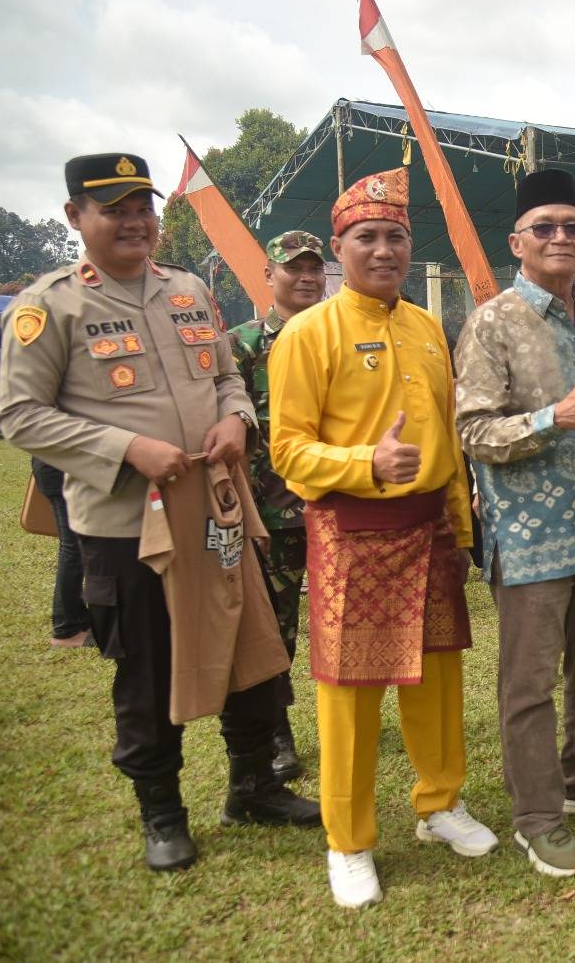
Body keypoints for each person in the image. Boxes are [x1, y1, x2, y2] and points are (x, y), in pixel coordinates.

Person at [0, 153, 317, 873]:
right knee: (146, 668)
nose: (135, 222)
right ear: (75, 216)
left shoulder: (188, 289)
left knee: (252, 648)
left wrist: (236, 418)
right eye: (114, 210)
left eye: (143, 208)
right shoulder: (51, 307)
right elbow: (20, 415)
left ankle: (255, 787)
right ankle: (163, 813)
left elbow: (228, 376)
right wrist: (126, 448)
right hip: (125, 524)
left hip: (216, 509)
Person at [268, 168, 497, 909]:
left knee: (437, 676)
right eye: (366, 237)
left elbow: (449, 439)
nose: (383, 249)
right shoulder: (307, 334)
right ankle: (349, 840)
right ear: (339, 249)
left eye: (395, 236)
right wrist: (365, 462)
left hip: (430, 527)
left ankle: (440, 802)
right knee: (351, 693)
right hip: (352, 530)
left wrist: (461, 526)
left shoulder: (427, 327)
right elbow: (288, 450)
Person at [453, 170, 575, 880]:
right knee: (529, 684)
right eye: (545, 227)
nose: (561, 237)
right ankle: (536, 816)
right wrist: (555, 417)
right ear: (516, 242)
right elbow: (472, 430)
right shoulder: (492, 322)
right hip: (529, 538)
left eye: (573, 227)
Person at [227, 229, 326, 782]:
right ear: (269, 275)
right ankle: (276, 734)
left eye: (314, 267)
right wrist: (245, 516)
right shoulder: (242, 345)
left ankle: (346, 715)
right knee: (274, 629)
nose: (306, 277)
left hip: (339, 508)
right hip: (273, 514)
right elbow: (230, 435)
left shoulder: (342, 333)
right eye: (294, 267)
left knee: (347, 623)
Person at [32, 456, 91, 648]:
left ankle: (78, 619)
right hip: (61, 471)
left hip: (57, 469)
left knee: (73, 547)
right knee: (74, 549)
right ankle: (66, 630)